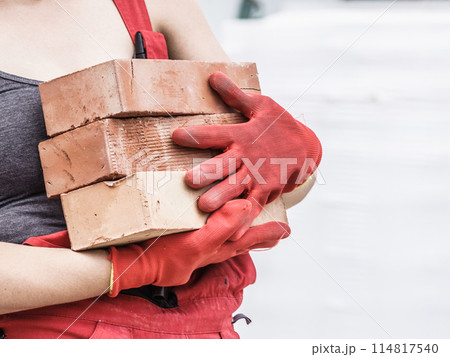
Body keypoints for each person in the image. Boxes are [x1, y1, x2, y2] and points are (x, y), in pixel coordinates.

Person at [0, 0, 321, 339]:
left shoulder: (157, 6)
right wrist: (136, 265)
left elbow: (281, 195)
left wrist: (296, 163)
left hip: (203, 326)